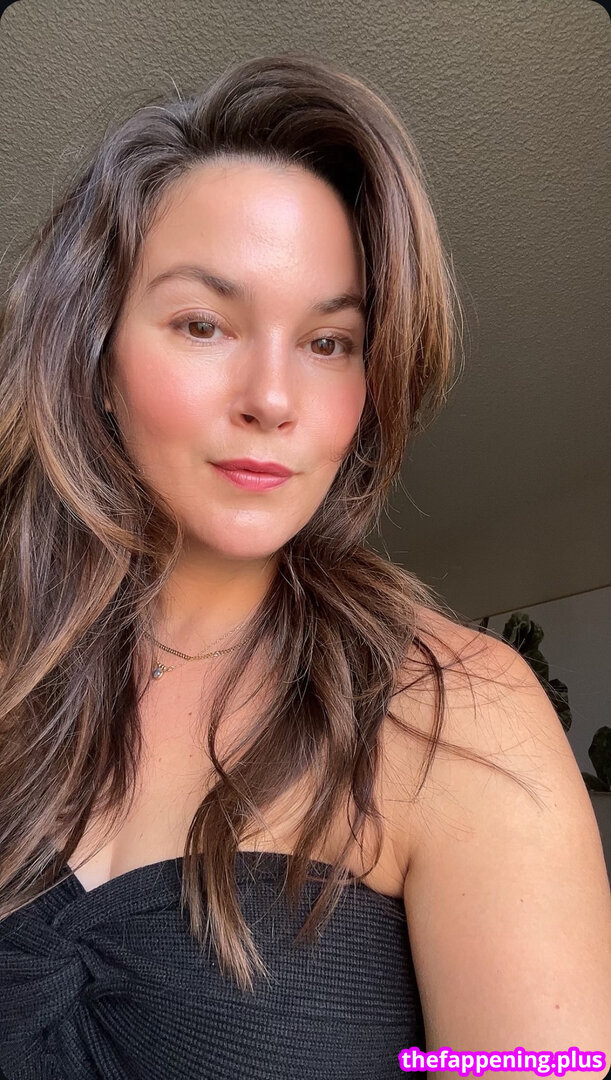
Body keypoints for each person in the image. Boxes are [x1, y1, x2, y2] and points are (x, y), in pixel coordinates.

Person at [0, 52, 608, 1080]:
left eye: (329, 342)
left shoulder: (457, 717)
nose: (273, 398)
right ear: (92, 357)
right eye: (203, 324)